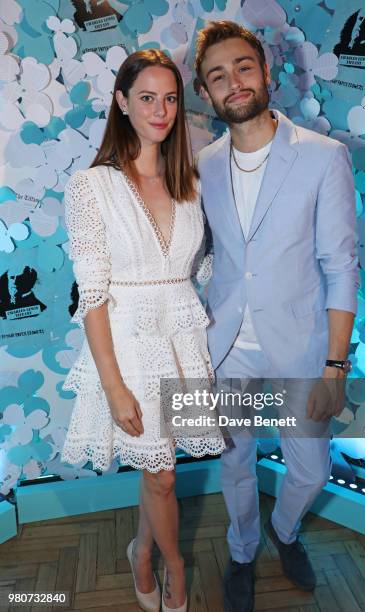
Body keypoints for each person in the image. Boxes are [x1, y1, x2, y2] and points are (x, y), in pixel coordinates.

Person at [194, 21, 359, 612]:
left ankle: (284, 533)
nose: (232, 82)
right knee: (234, 459)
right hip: (227, 343)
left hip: (300, 346)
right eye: (217, 76)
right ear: (207, 93)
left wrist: (334, 367)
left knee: (310, 470)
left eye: (242, 67)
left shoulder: (323, 156)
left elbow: (341, 268)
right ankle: (242, 553)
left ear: (264, 72)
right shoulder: (204, 164)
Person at [62, 49, 225, 612]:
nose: (160, 110)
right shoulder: (92, 187)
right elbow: (93, 293)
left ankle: (140, 548)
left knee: (159, 470)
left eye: (171, 98)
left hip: (182, 342)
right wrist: (113, 385)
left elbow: (204, 269)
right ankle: (170, 565)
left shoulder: (192, 181)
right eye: (147, 97)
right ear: (122, 103)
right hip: (129, 348)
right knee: (162, 474)